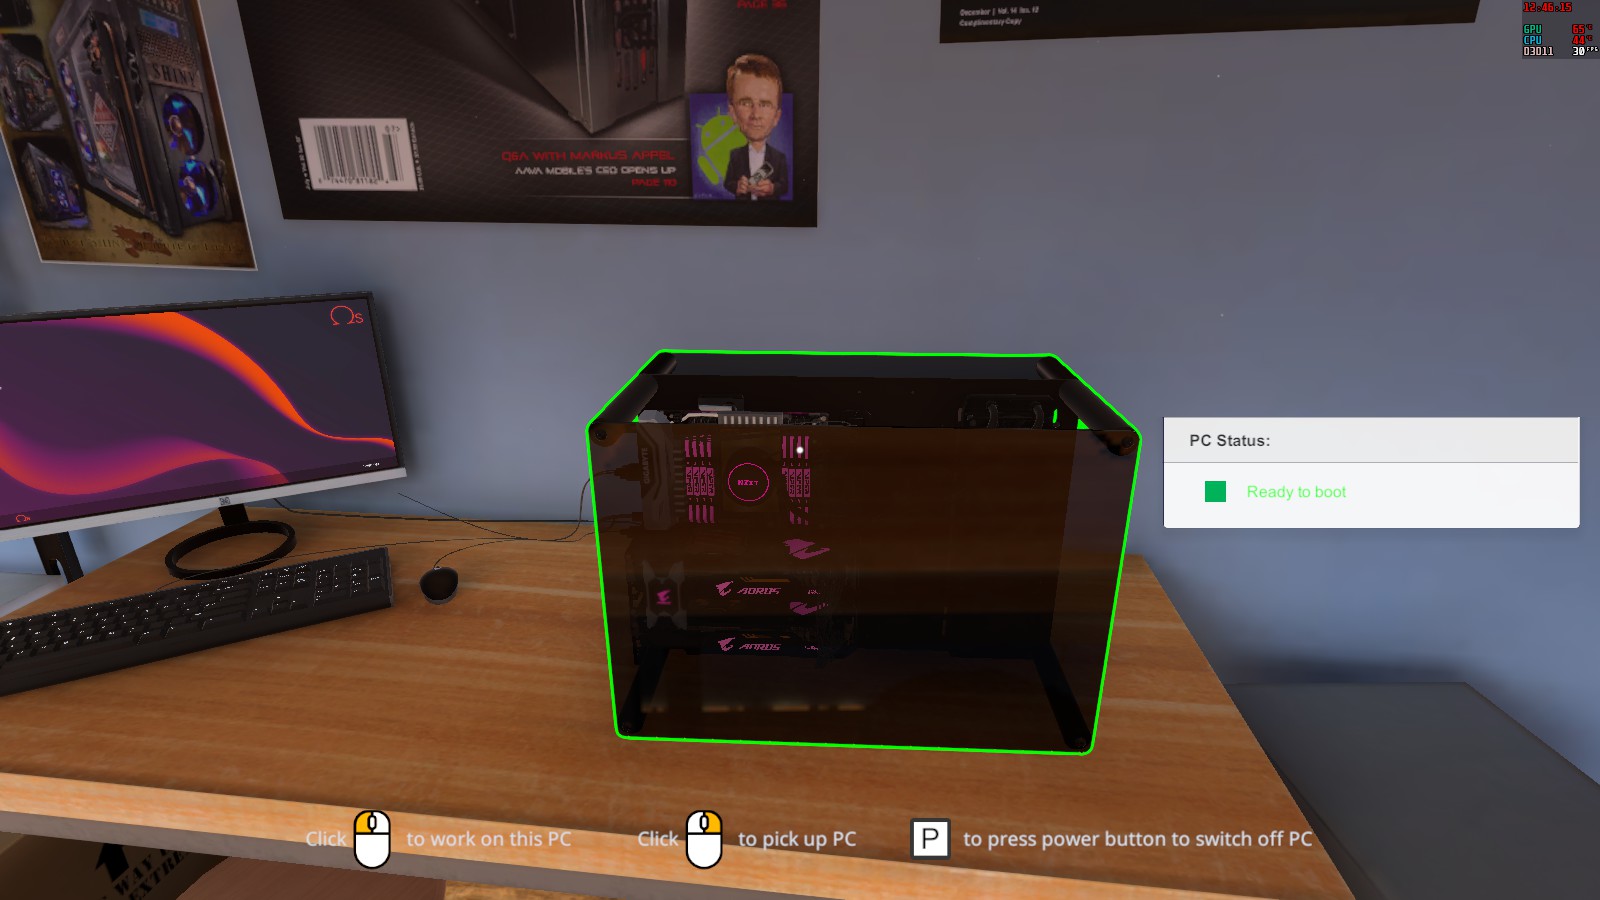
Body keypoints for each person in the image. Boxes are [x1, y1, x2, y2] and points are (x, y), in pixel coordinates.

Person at [721, 54, 788, 202]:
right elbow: (727, 183)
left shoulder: (779, 158)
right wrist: (737, 186)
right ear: (733, 113)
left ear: (776, 117)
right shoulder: (735, 155)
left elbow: (784, 185)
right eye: (745, 103)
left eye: (765, 104)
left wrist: (772, 188)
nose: (756, 115)